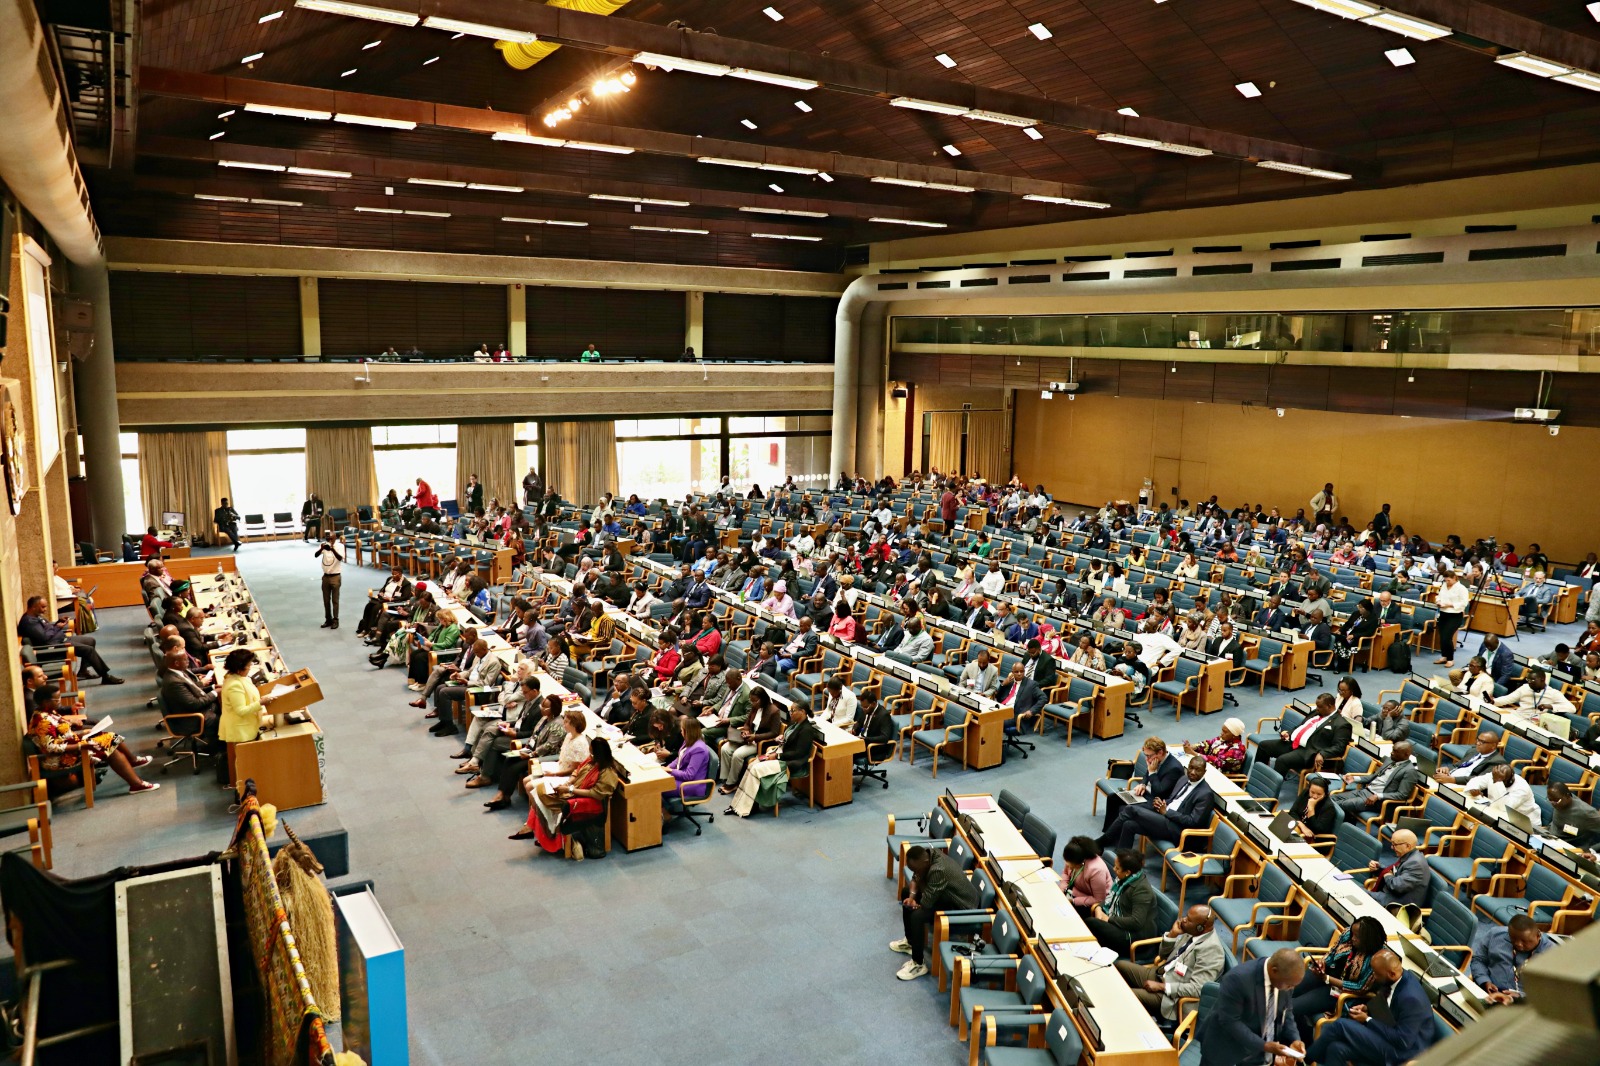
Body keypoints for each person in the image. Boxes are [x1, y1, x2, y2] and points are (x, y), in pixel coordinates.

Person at [1304, 949, 1436, 1066]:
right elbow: (1388, 1004)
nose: (1373, 976)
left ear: (1391, 974)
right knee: (1336, 1049)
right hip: (1390, 1036)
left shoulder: (1411, 998)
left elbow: (1403, 1041)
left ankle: (1302, 1061)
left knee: (1340, 1025)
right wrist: (1367, 1009)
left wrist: (1367, 1020)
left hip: (1402, 1055)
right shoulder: (1399, 977)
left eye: (1376, 974)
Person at [28, 686, 158, 794]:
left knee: (108, 735)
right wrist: (81, 745)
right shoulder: (42, 721)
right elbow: (51, 747)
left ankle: (132, 761)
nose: (60, 702)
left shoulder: (49, 712)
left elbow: (60, 734)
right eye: (57, 699)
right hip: (58, 759)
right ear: (45, 702)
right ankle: (136, 784)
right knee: (109, 750)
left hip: (70, 747)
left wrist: (81, 733)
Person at [1114, 905, 1225, 1022]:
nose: (1183, 920)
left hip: (1173, 999)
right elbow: (1162, 955)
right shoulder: (1192, 931)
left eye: (1189, 920)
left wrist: (1162, 987)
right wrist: (1173, 934)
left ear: (1200, 928)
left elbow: (1197, 989)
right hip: (1163, 974)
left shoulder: (1212, 950)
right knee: (1120, 966)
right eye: (1186, 916)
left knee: (1127, 996)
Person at [520, 736, 625, 859]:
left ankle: (550, 835)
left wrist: (570, 789)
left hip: (581, 800)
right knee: (538, 791)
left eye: (591, 750)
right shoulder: (592, 760)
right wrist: (567, 783)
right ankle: (544, 833)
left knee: (541, 795)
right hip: (571, 790)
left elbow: (596, 793)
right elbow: (577, 771)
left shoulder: (608, 772)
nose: (589, 752)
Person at [888, 843, 981, 981]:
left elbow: (926, 904)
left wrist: (916, 905)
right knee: (906, 892)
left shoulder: (938, 870)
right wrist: (912, 898)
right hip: (946, 895)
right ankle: (911, 942)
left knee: (917, 916)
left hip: (962, 907)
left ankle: (919, 964)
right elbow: (915, 878)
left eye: (917, 870)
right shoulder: (928, 855)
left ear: (925, 862)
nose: (916, 872)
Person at [1197, 948, 1305, 1066]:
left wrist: (1295, 1038)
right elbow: (1230, 1021)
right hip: (1225, 1048)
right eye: (1289, 985)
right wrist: (1264, 1045)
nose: (1291, 988)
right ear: (1274, 971)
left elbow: (1286, 1011)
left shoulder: (1286, 978)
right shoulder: (1237, 979)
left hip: (1258, 1053)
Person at [1291, 915, 1385, 1037]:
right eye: (1352, 933)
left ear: (1369, 940)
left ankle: (1303, 1038)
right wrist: (1323, 963)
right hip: (1325, 974)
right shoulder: (1348, 934)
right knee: (1285, 990)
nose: (1353, 938)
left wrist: (1327, 979)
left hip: (1338, 991)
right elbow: (1332, 953)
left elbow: (1360, 987)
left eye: (1357, 937)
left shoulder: (1376, 959)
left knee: (1292, 1007)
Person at [725, 701, 822, 817]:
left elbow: (798, 753)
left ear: (803, 712)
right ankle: (736, 804)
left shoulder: (806, 730)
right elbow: (790, 740)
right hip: (780, 754)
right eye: (790, 710)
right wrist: (782, 738)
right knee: (752, 765)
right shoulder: (795, 723)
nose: (790, 713)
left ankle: (748, 807)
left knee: (756, 770)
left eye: (793, 711)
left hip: (789, 762)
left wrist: (777, 756)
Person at [1099, 756, 1216, 851]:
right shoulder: (1184, 779)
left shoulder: (1205, 794)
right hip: (1165, 816)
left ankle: (1103, 841)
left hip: (1177, 829)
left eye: (1197, 770)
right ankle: (1123, 861)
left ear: (1204, 772)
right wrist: (1162, 803)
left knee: (1131, 809)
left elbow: (1192, 822)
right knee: (1129, 824)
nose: (1193, 772)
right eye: (1191, 768)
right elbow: (1173, 799)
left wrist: (1167, 812)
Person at [17, 595, 122, 683]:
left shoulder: (37, 616)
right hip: (52, 648)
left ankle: (83, 671)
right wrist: (58, 627)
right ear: (33, 607)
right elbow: (44, 638)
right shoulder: (29, 622)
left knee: (90, 641)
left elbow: (47, 629)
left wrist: (58, 622)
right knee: (88, 650)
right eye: (43, 607)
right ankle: (105, 676)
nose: (45, 609)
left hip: (60, 640)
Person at [1255, 692, 1351, 776]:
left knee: (1282, 760)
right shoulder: (1316, 712)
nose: (1317, 709)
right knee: (1264, 746)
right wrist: (1289, 733)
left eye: (1320, 707)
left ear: (1329, 706)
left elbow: (1339, 747)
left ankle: (1271, 788)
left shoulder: (1342, 724)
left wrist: (1323, 753)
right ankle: (1257, 777)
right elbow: (1301, 726)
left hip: (1308, 751)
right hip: (1292, 743)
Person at [1470, 914, 1557, 1005]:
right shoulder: (1495, 935)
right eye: (1513, 939)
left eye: (1525, 941)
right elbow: (1479, 960)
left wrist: (1521, 996)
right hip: (1487, 993)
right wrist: (1484, 980)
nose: (1518, 944)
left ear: (1538, 935)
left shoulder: (1553, 953)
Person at [1084, 848, 1157, 957]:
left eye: (1117, 868)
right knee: (1084, 911)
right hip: (1121, 922)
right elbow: (1112, 898)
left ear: (1127, 872)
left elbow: (1136, 922)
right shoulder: (1123, 880)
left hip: (1133, 936)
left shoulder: (1142, 891)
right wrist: (1099, 907)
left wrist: (1107, 919)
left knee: (1091, 923)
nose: (1114, 869)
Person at [1102, 736, 1185, 830]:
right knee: (1113, 798)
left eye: (1149, 756)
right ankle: (1108, 831)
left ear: (1160, 752)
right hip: (1144, 794)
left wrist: (1152, 773)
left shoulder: (1174, 768)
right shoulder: (1155, 759)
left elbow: (1159, 791)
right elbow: (1147, 774)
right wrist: (1143, 784)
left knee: (1125, 808)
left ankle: (1112, 836)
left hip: (1154, 802)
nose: (1147, 759)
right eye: (1146, 755)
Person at [218, 647, 269, 787]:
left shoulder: (236, 677)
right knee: (246, 763)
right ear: (240, 668)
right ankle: (244, 791)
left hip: (245, 724)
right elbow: (241, 710)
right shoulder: (234, 684)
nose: (250, 668)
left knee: (246, 761)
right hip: (241, 730)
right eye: (248, 666)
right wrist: (261, 703)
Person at [1333, 741, 1423, 818]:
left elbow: (1402, 795)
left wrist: (1378, 796)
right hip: (1365, 791)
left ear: (1406, 754)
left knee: (1340, 804)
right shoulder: (1389, 760)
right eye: (1393, 750)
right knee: (1332, 798)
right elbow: (1373, 776)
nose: (1392, 753)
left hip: (1377, 801)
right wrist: (1355, 778)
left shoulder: (1410, 771)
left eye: (1396, 751)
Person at [716, 687, 781, 792]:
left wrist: (755, 737)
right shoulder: (755, 707)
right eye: (751, 700)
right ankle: (726, 778)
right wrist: (746, 730)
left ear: (762, 699)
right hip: (747, 738)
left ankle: (732, 783)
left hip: (759, 742)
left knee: (737, 754)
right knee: (725, 748)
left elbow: (774, 733)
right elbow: (747, 723)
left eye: (755, 701)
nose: (752, 703)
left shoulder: (774, 711)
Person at [662, 716, 714, 823]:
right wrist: (667, 768)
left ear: (687, 731)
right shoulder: (688, 741)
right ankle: (664, 810)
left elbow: (689, 775)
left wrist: (671, 771)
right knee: (657, 781)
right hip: (684, 779)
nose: (680, 731)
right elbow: (678, 759)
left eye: (682, 730)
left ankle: (665, 814)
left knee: (658, 786)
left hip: (693, 784)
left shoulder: (698, 749)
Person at [1362, 827, 1428, 907]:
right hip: (1391, 894)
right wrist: (1379, 869)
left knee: (1358, 892)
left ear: (1408, 846)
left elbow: (1397, 886)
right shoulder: (1409, 856)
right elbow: (1395, 872)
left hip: (1397, 903)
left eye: (1395, 844)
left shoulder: (1415, 864)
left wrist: (1387, 875)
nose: (1392, 847)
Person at [1465, 763, 1541, 826]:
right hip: (1496, 813)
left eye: (1502, 780)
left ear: (1511, 780)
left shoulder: (1522, 788)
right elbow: (1476, 781)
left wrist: (1498, 781)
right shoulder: (1494, 775)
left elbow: (1504, 808)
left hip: (1524, 823)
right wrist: (1473, 789)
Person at [1059, 836, 1112, 913]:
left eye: (1069, 863)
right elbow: (1065, 873)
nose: (1067, 864)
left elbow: (1099, 899)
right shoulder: (1072, 856)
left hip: (1089, 902)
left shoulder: (1096, 870)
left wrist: (1073, 901)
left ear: (1082, 862)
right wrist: (1062, 889)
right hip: (1073, 892)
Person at [1436, 729, 1506, 783]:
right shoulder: (1473, 750)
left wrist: (1453, 780)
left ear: (1493, 746)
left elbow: (1479, 779)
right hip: (1449, 777)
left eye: (1482, 742)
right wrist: (1447, 769)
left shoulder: (1497, 762)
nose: (1478, 743)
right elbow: (1458, 765)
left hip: (1461, 784)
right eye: (1478, 740)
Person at [1183, 718, 1247, 775]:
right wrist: (1194, 747)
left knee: (1185, 772)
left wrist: (1194, 753)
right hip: (1207, 769)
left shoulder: (1238, 750)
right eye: (1222, 730)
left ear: (1234, 735)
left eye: (1225, 732)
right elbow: (1208, 744)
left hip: (1221, 777)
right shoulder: (1223, 739)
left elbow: (1218, 762)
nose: (1221, 733)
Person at [1547, 781, 1600, 849]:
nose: (1553, 804)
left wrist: (1592, 851)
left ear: (1567, 796)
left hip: (1569, 848)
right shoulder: (1558, 802)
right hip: (1549, 838)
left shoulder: (1586, 812)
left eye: (1556, 800)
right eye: (1550, 800)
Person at [1432, 570, 1469, 664]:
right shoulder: (1444, 585)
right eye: (1445, 580)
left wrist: (1449, 605)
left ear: (1454, 578)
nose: (1447, 582)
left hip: (1455, 615)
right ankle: (1444, 656)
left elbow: (1464, 603)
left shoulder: (1462, 588)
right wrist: (1438, 601)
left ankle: (1450, 659)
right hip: (1443, 613)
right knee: (1442, 636)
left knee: (1447, 637)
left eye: (1449, 580)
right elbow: (1439, 596)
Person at [1285, 777, 1337, 841]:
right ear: (1309, 789)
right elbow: (1293, 812)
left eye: (1319, 794)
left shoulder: (1329, 808)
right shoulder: (1306, 793)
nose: (1315, 796)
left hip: (1314, 839)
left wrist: (1311, 809)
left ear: (1325, 794)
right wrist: (1302, 826)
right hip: (1300, 828)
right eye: (1312, 792)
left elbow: (1316, 830)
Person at [314, 529, 344, 629]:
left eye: (331, 538)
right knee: (326, 600)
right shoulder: (324, 545)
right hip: (325, 577)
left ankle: (336, 620)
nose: (329, 540)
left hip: (335, 576)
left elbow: (340, 558)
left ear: (335, 537)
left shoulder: (340, 546)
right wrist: (321, 548)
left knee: (335, 600)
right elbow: (316, 555)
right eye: (328, 538)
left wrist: (332, 549)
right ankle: (328, 619)